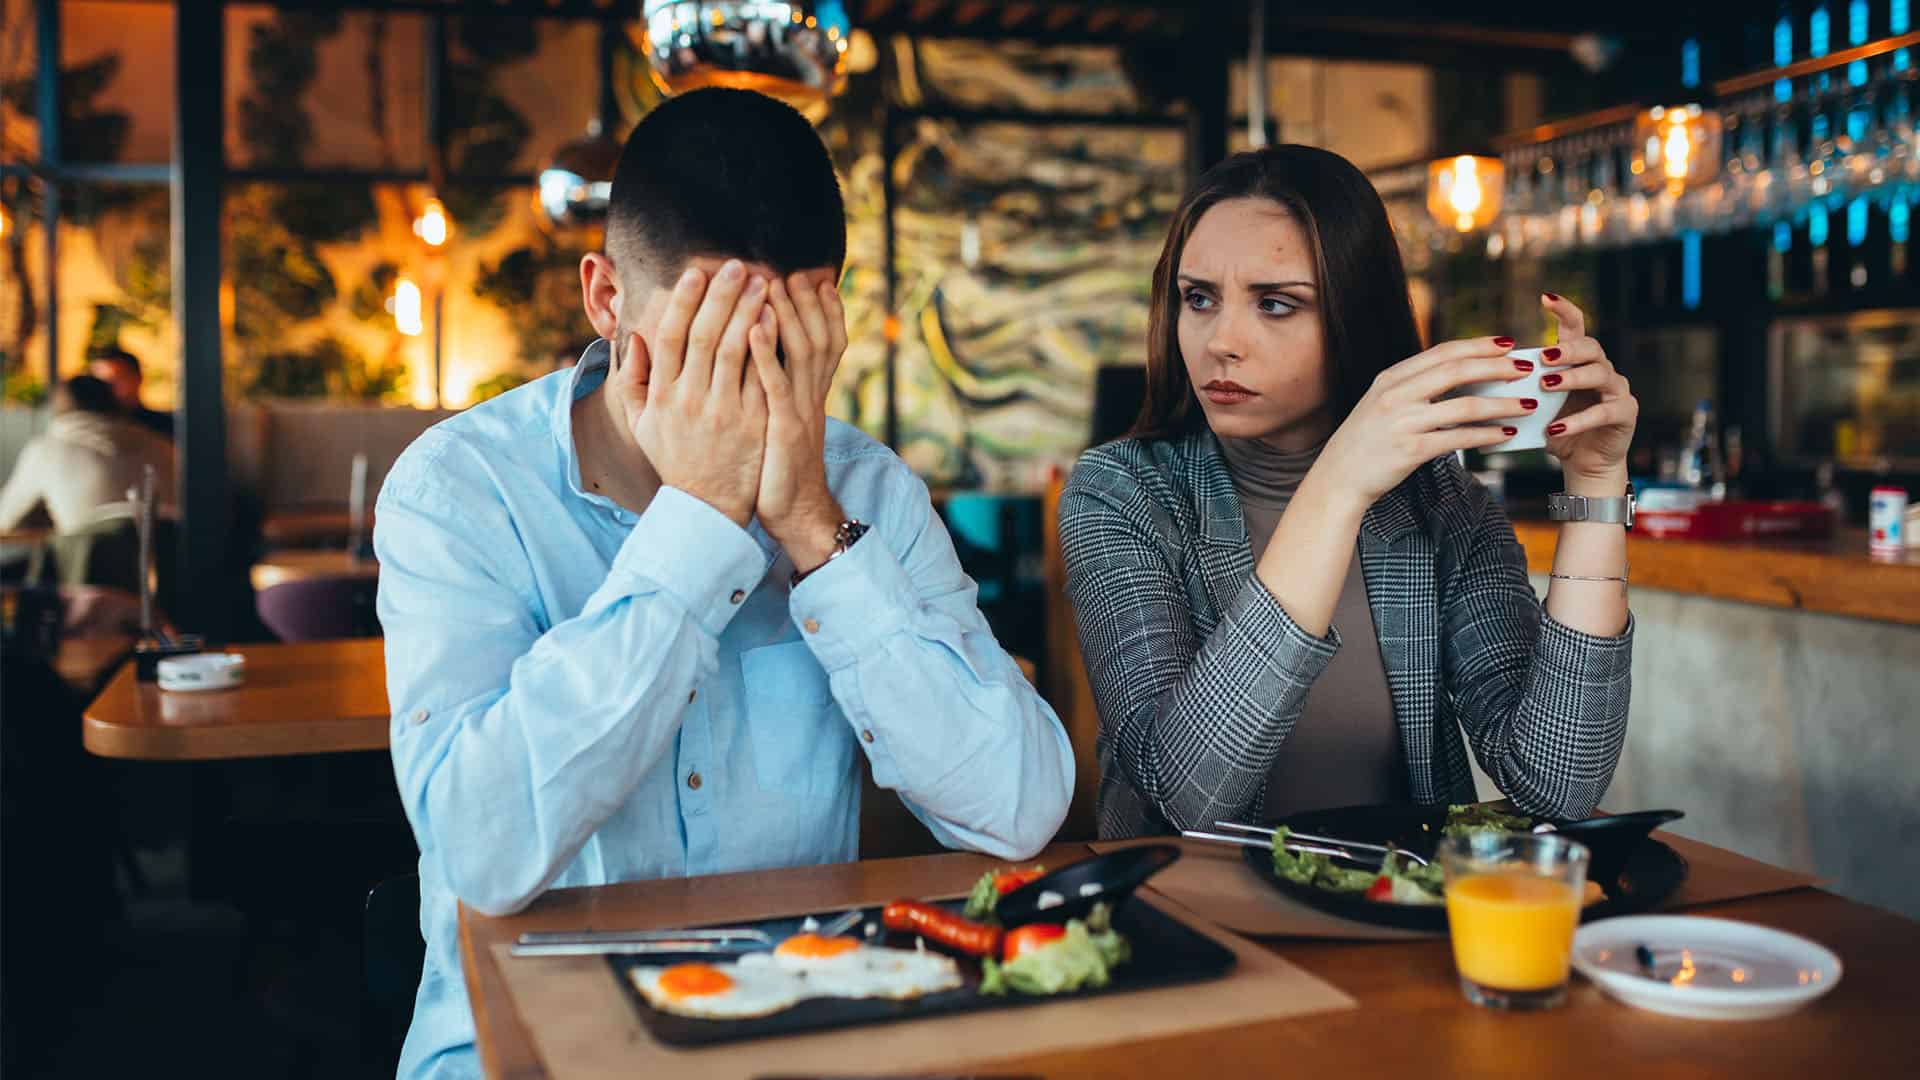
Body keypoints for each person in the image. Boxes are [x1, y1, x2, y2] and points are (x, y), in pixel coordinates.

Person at [375, 88, 1073, 1079]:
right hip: (520, 1043)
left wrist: (814, 532)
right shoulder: (458, 491)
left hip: (798, 1029)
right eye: (708, 340)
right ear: (606, 298)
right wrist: (698, 523)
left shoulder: (864, 489)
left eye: (785, 347)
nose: (751, 384)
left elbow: (1019, 808)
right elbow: (484, 853)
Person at [1059, 145, 1637, 839]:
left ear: (1354, 318)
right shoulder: (1121, 494)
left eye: (1276, 304)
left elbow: (1557, 780)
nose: (1221, 341)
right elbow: (1189, 796)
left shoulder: (1443, 507)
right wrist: (1337, 484)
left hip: (1397, 925)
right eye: (1199, 298)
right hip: (1198, 927)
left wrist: (1597, 484)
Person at [0, 374, 175, 535]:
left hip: (88, 564)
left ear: (56, 410)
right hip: (169, 565)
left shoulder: (45, 451)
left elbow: (5, 519)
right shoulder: (163, 446)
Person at [88, 347, 174, 439]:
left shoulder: (167, 428)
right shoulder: (88, 431)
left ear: (138, 378)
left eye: (117, 379)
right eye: (101, 382)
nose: (107, 388)